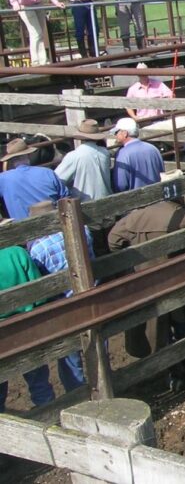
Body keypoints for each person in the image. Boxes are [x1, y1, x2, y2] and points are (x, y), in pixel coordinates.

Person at [108, 199, 185, 363]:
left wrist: (133, 260)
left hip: (145, 280)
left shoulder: (135, 217)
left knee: (156, 325)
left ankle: (168, 368)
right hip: (174, 279)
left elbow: (113, 241)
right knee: (182, 318)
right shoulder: (181, 215)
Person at [25, 201, 89, 399]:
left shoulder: (38, 249)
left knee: (71, 358)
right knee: (97, 345)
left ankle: (78, 397)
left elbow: (40, 287)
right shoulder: (83, 230)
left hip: (62, 308)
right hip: (88, 298)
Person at [0, 246, 55, 413]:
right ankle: (51, 420)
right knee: (40, 384)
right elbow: (40, 294)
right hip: (27, 329)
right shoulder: (17, 253)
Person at [0, 138, 70, 219]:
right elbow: (66, 198)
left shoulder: (3, 179)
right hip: (55, 223)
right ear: (28, 155)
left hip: (22, 228)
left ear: (10, 160)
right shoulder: (47, 172)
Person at [54, 118, 112, 201]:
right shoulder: (105, 152)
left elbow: (57, 180)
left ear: (80, 137)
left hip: (84, 202)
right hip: (106, 197)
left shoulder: (73, 156)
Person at [110, 117, 164, 192]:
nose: (115, 135)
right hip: (156, 194)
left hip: (136, 199)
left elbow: (121, 185)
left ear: (125, 133)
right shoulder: (153, 148)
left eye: (117, 132)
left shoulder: (122, 154)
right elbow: (161, 173)